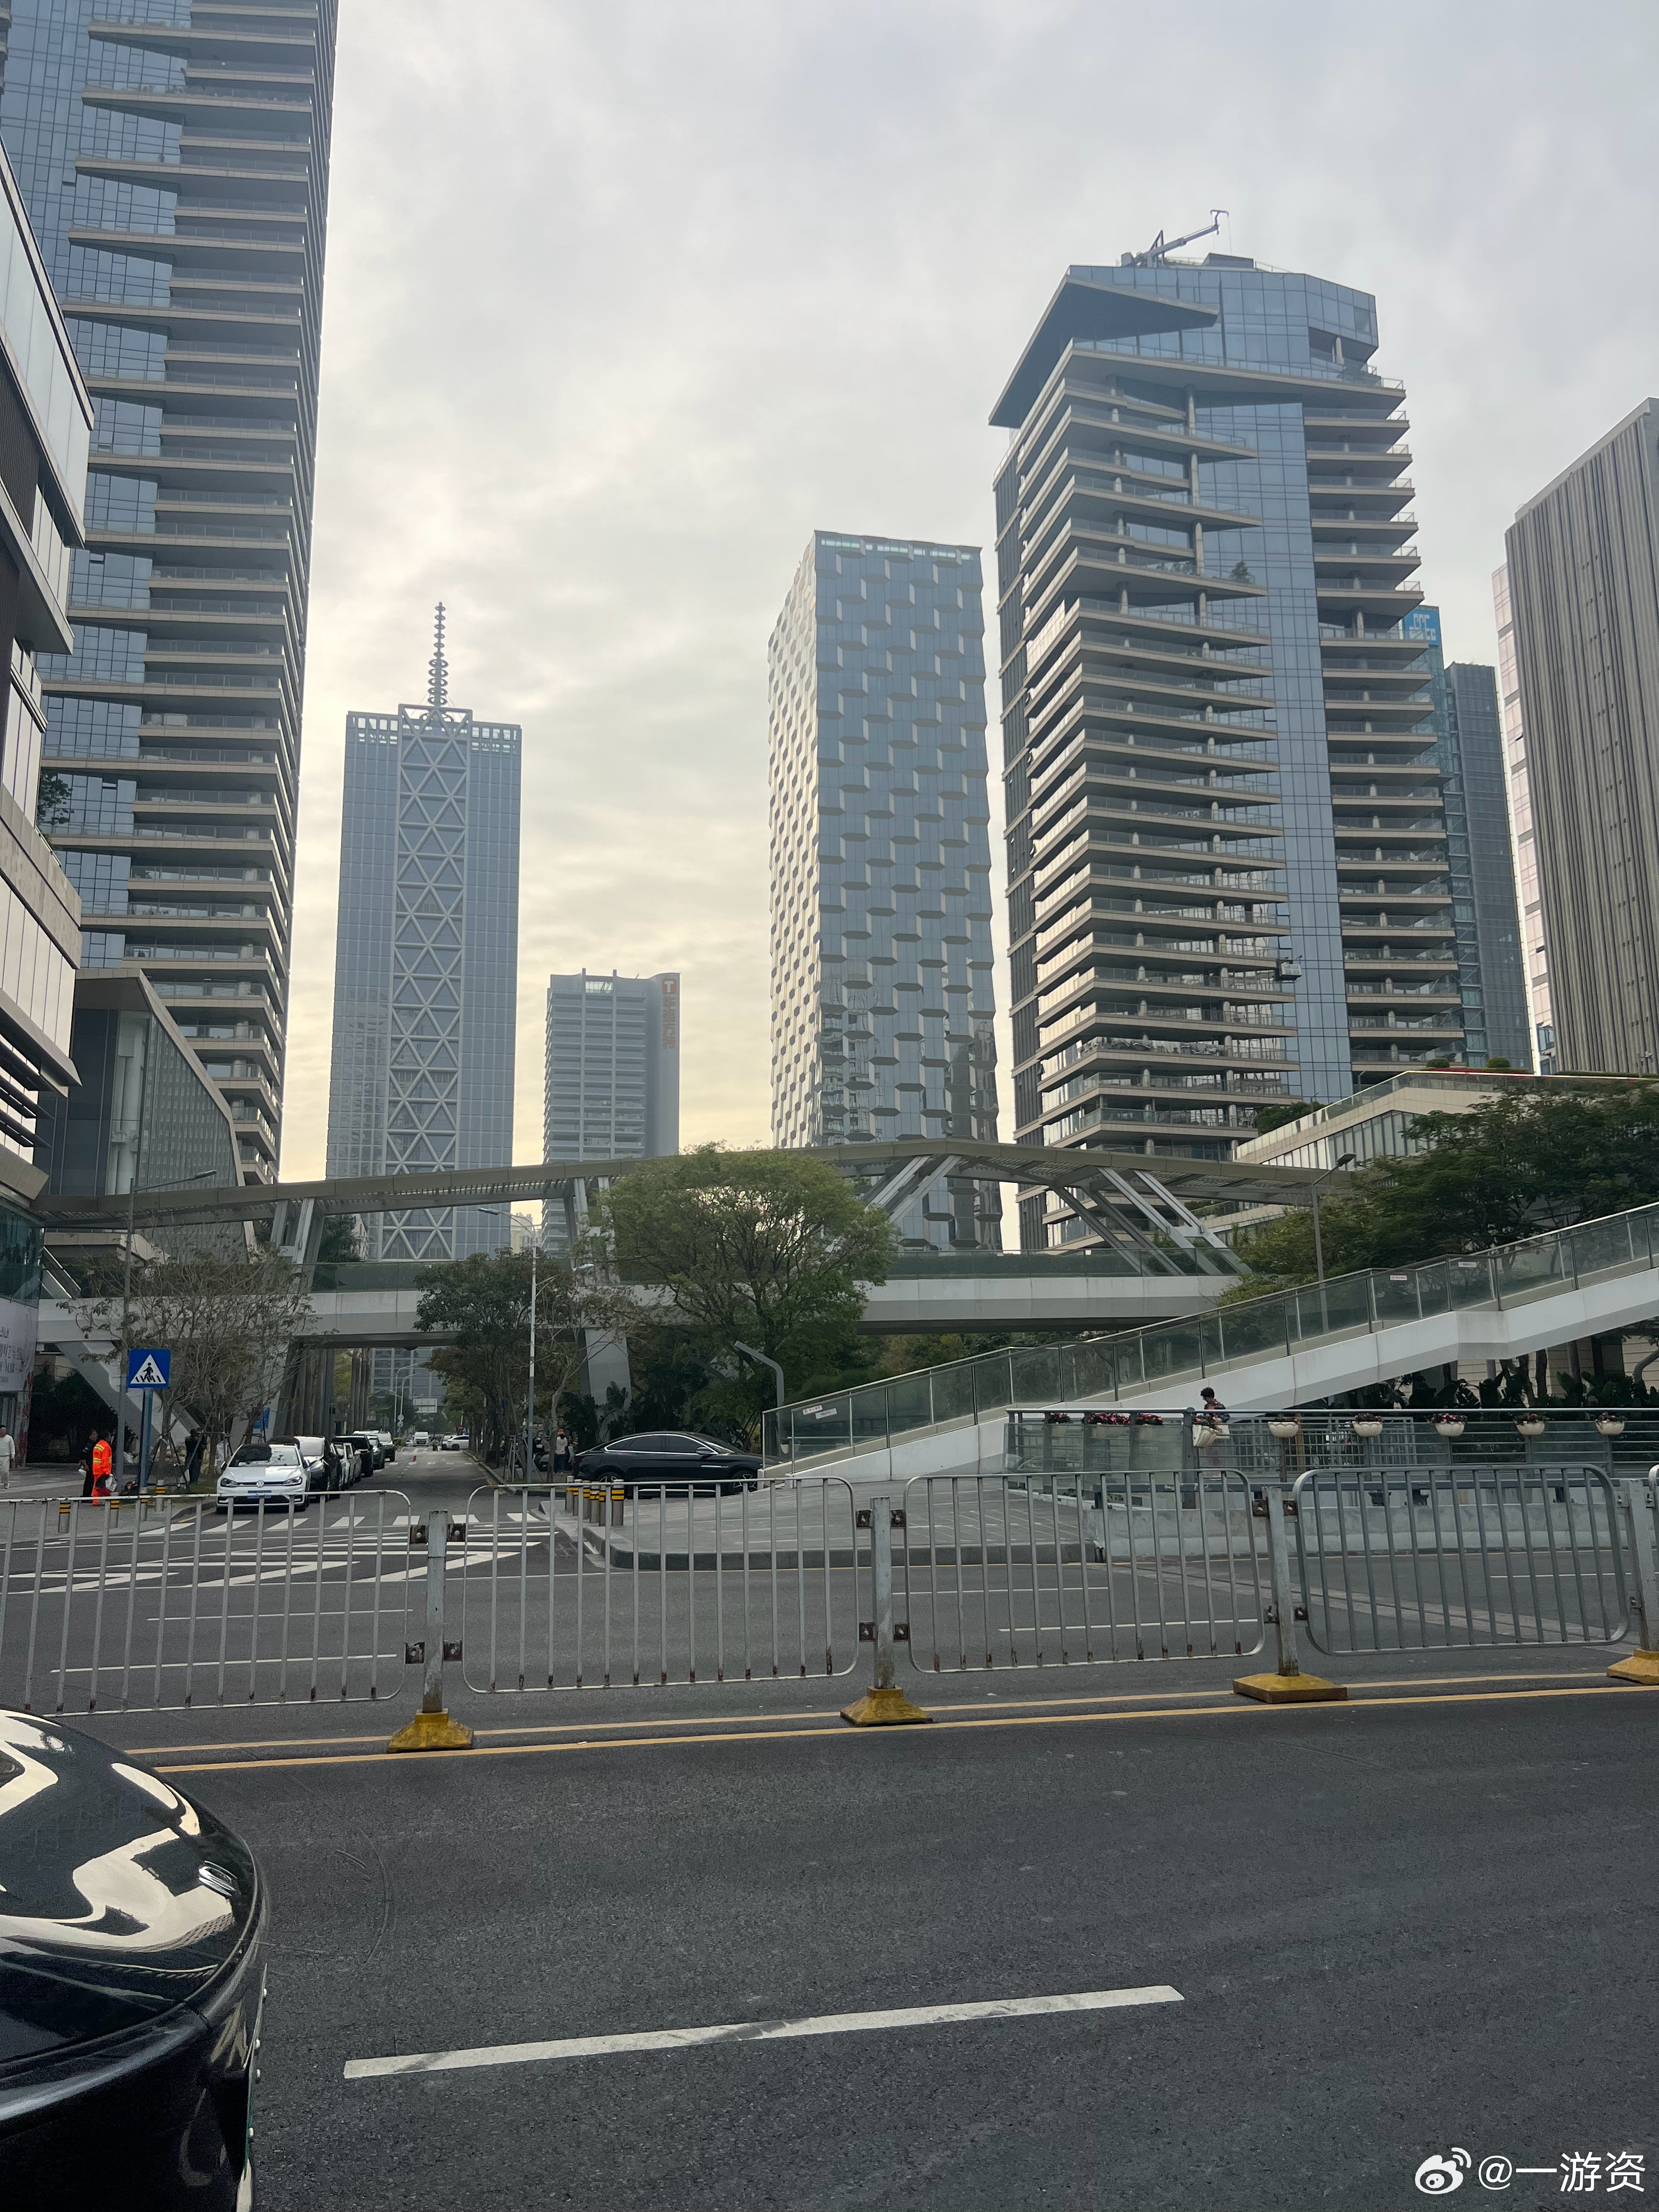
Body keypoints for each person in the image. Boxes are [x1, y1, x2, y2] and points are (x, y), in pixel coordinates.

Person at [91, 1431, 112, 1496]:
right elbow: (105, 1460)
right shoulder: (106, 1446)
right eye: (110, 1436)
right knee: (102, 1488)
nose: (110, 1438)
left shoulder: (98, 1445)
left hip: (96, 1469)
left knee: (97, 1487)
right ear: (106, 1438)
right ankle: (110, 1498)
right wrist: (107, 1472)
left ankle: (95, 1500)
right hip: (102, 1471)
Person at [0, 1425, 13, 1491]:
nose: (4, 1432)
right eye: (2, 1430)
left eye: (5, 1430)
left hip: (5, 1457)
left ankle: (6, 1483)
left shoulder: (9, 1438)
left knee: (5, 1471)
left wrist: (13, 1455)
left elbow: (12, 1447)